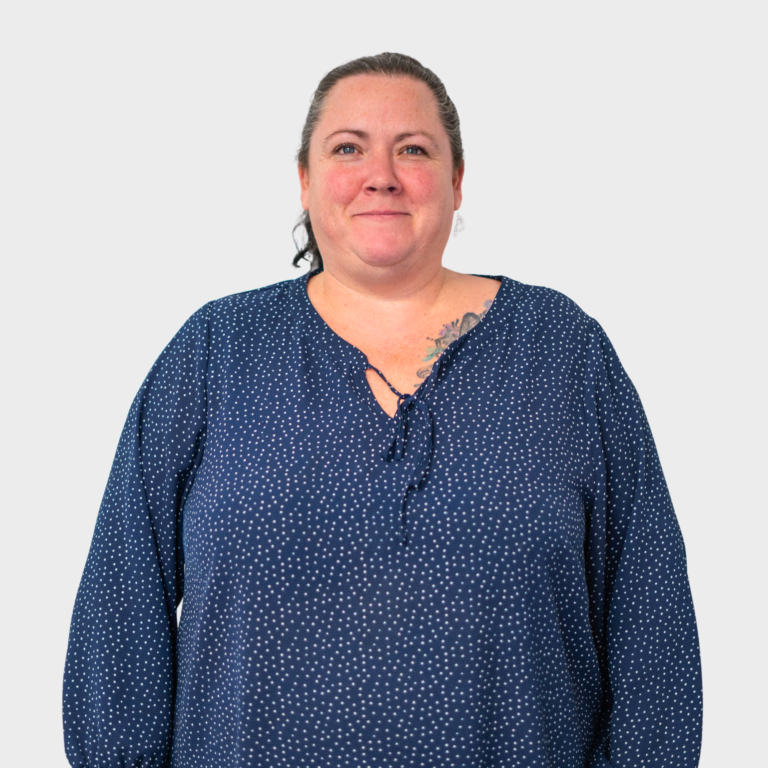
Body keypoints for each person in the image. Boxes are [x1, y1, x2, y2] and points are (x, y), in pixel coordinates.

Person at [62, 53, 703, 768]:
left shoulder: (562, 353)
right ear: (304, 180)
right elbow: (119, 621)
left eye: (414, 150)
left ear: (458, 180)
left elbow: (654, 629)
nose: (382, 175)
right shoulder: (216, 352)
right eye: (347, 148)